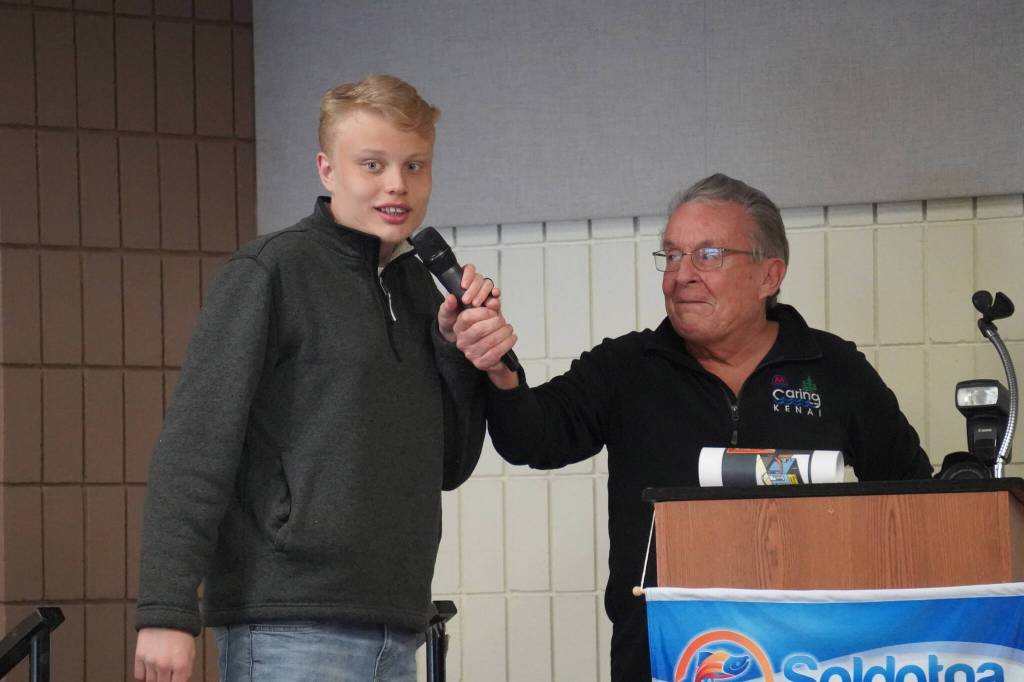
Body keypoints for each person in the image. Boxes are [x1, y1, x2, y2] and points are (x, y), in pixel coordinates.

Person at [452, 173, 934, 680]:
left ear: (770, 275)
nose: (681, 275)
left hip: (810, 653)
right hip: (664, 651)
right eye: (672, 255)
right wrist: (499, 368)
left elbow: (915, 497)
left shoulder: (834, 369)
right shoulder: (627, 367)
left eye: (708, 256)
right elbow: (534, 438)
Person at [133, 74, 498, 682]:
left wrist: (457, 352)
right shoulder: (269, 272)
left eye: (415, 165)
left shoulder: (418, 288)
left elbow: (448, 466)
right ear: (327, 170)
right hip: (285, 624)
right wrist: (167, 611)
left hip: (397, 623)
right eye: (372, 164)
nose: (397, 185)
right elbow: (196, 446)